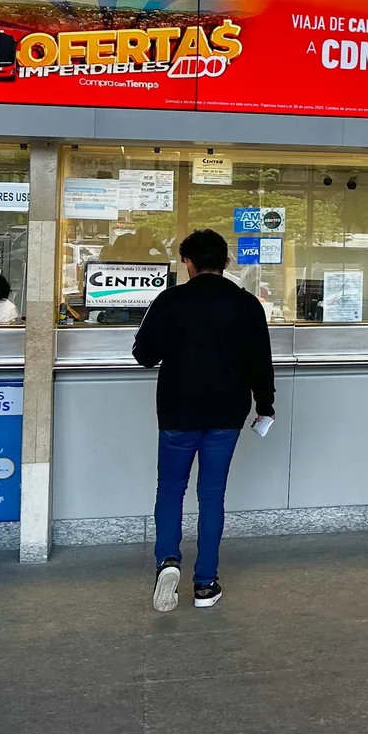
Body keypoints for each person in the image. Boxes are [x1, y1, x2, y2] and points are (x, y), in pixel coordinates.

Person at [133, 228, 274, 613]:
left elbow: (144, 355)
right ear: (226, 262)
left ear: (187, 263)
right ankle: (206, 584)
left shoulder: (170, 300)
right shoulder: (247, 304)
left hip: (177, 411)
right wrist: (266, 403)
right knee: (212, 495)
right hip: (227, 413)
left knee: (170, 488)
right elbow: (261, 361)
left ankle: (168, 560)